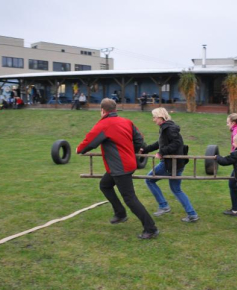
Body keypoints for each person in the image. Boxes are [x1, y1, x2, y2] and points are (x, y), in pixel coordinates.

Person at [76, 98, 159, 239]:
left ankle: (151, 228)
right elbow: (140, 140)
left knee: (130, 199)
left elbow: (90, 141)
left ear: (102, 111)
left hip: (120, 168)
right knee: (105, 185)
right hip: (126, 164)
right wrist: (130, 150)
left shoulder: (103, 124)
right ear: (115, 109)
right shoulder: (127, 122)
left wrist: (79, 149)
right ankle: (120, 213)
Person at [140, 107, 199, 222]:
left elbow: (176, 143)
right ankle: (192, 214)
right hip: (176, 164)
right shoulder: (166, 128)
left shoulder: (169, 128)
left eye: (154, 117)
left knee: (149, 180)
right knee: (176, 189)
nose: (153, 120)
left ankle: (163, 205)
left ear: (161, 117)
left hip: (170, 163)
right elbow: (160, 143)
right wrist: (146, 149)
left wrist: (162, 152)